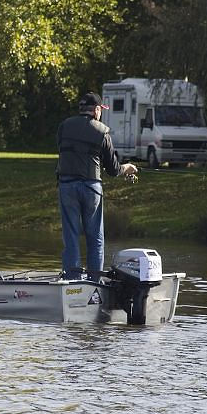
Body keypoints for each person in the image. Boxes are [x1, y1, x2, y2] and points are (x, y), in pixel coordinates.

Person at [56, 92, 137, 281]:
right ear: (97, 110)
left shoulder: (64, 126)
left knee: (71, 236)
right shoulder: (102, 131)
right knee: (95, 238)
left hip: (67, 186)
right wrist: (129, 168)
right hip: (92, 188)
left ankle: (72, 281)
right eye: (101, 110)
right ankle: (94, 282)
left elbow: (62, 150)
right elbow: (114, 169)